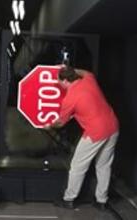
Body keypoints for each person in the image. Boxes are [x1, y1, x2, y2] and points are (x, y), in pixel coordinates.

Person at [44, 66, 119, 210]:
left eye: (59, 81)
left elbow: (60, 122)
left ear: (65, 81)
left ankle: (69, 199)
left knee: (78, 166)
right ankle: (102, 201)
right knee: (104, 166)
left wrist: (49, 126)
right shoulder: (88, 80)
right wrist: (68, 68)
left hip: (96, 131)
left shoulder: (70, 98)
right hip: (113, 125)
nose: (58, 83)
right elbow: (87, 72)